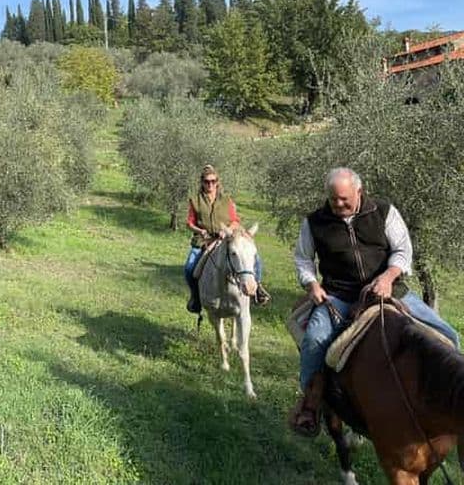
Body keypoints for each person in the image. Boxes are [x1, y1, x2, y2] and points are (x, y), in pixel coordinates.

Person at [289, 167, 460, 437]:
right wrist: (311, 284)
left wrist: (389, 277)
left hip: (391, 290)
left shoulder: (383, 212)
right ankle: (310, 402)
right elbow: (302, 259)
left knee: (449, 335)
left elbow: (403, 251)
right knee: (314, 341)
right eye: (334, 199)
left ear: (359, 190)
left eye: (344, 199)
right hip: (340, 295)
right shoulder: (315, 222)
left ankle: (447, 404)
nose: (339, 204)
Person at [184, 164, 270, 314]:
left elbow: (235, 220)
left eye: (213, 181)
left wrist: (228, 230)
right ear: (202, 182)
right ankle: (196, 298)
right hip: (204, 240)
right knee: (189, 267)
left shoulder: (226, 200)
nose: (210, 184)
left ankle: (258, 289)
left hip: (227, 238)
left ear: (217, 182)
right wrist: (200, 231)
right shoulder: (195, 201)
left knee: (254, 259)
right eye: (206, 181)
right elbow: (189, 222)